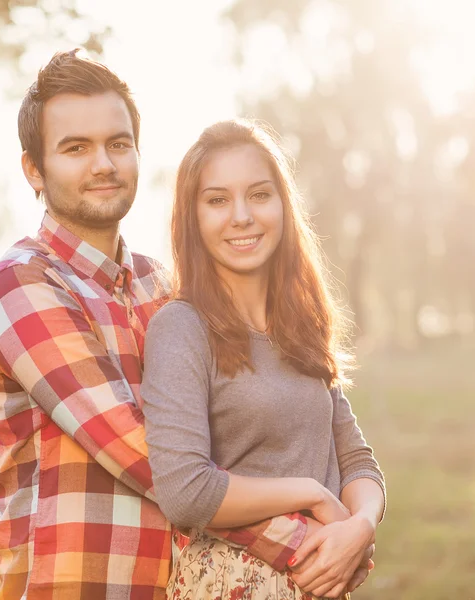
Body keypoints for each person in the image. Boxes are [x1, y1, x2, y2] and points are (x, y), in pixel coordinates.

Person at [0, 50, 343, 600]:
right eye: (76, 148)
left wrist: (352, 520)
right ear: (34, 168)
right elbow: (152, 459)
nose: (103, 163)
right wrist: (314, 543)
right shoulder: (24, 284)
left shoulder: (160, 285)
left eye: (118, 144)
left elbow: (229, 431)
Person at [141, 119, 386, 600]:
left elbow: (357, 459)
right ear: (192, 218)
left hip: (320, 579)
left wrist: (359, 526)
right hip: (231, 583)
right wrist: (312, 494)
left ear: (282, 205)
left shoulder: (300, 328)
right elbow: (185, 492)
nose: (241, 216)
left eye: (258, 194)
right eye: (217, 200)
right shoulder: (182, 328)